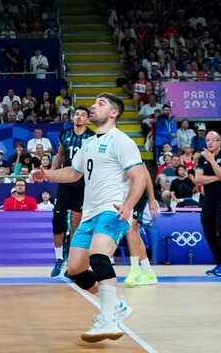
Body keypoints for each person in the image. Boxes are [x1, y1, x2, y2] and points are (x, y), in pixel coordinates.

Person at [33, 93, 145, 343]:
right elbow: (74, 173)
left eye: (100, 104)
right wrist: (47, 175)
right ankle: (116, 305)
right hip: (90, 212)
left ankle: (108, 319)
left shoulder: (121, 141)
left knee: (98, 255)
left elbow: (138, 176)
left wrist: (128, 205)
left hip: (112, 208)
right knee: (75, 269)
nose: (93, 107)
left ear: (114, 113)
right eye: (94, 104)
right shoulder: (90, 143)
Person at [50, 106, 94, 278]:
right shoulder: (65, 134)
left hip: (82, 183)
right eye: (77, 114)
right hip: (65, 180)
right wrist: (52, 173)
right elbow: (60, 155)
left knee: (76, 223)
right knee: (57, 220)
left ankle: (72, 262)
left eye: (83, 115)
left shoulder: (92, 137)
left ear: (88, 119)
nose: (79, 117)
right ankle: (59, 258)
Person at [195, 130, 221, 277]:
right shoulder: (202, 158)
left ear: (219, 142)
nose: (210, 143)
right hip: (208, 198)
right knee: (208, 230)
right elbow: (198, 179)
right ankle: (220, 263)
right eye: (207, 140)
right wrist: (218, 177)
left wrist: (212, 161)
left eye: (213, 140)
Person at [123, 174, 159, 287]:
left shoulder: (134, 156)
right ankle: (148, 271)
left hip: (137, 193)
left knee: (130, 228)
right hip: (126, 193)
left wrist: (152, 200)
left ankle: (135, 270)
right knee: (135, 231)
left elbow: (147, 176)